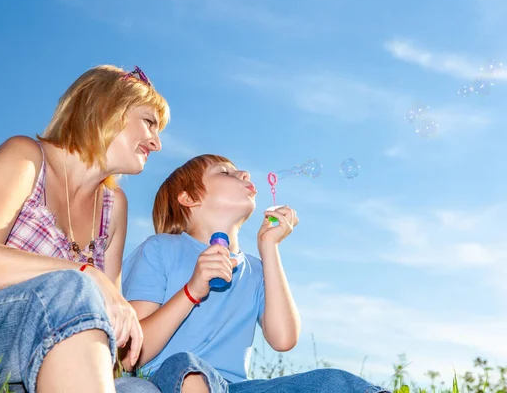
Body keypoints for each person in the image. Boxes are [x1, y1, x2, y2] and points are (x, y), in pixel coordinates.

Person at [0, 65, 167, 393]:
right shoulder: (27, 157)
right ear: (105, 108)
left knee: (140, 390)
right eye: (149, 123)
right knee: (72, 287)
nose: (156, 143)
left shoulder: (114, 207)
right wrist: (85, 272)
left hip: (27, 352)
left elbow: (112, 321)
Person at [122, 154, 390, 393]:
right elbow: (132, 355)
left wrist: (269, 248)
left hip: (238, 388)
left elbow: (283, 339)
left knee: (335, 382)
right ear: (189, 198)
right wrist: (192, 291)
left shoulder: (257, 269)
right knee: (187, 366)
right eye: (224, 172)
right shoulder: (160, 249)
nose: (245, 175)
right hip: (168, 379)